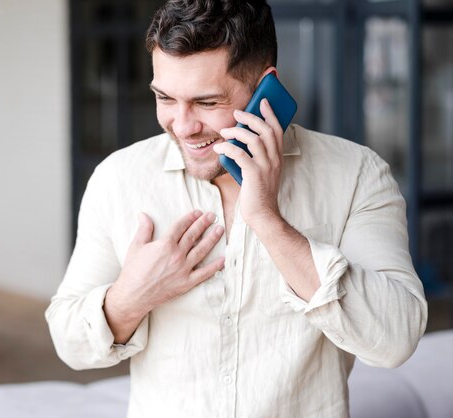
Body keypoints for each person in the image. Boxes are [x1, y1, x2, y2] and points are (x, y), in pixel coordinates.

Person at [45, 0, 428, 416]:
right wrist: (129, 297)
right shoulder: (118, 179)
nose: (183, 125)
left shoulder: (356, 175)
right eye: (165, 98)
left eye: (207, 103)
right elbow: (70, 344)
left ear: (266, 88)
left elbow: (395, 339)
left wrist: (268, 220)